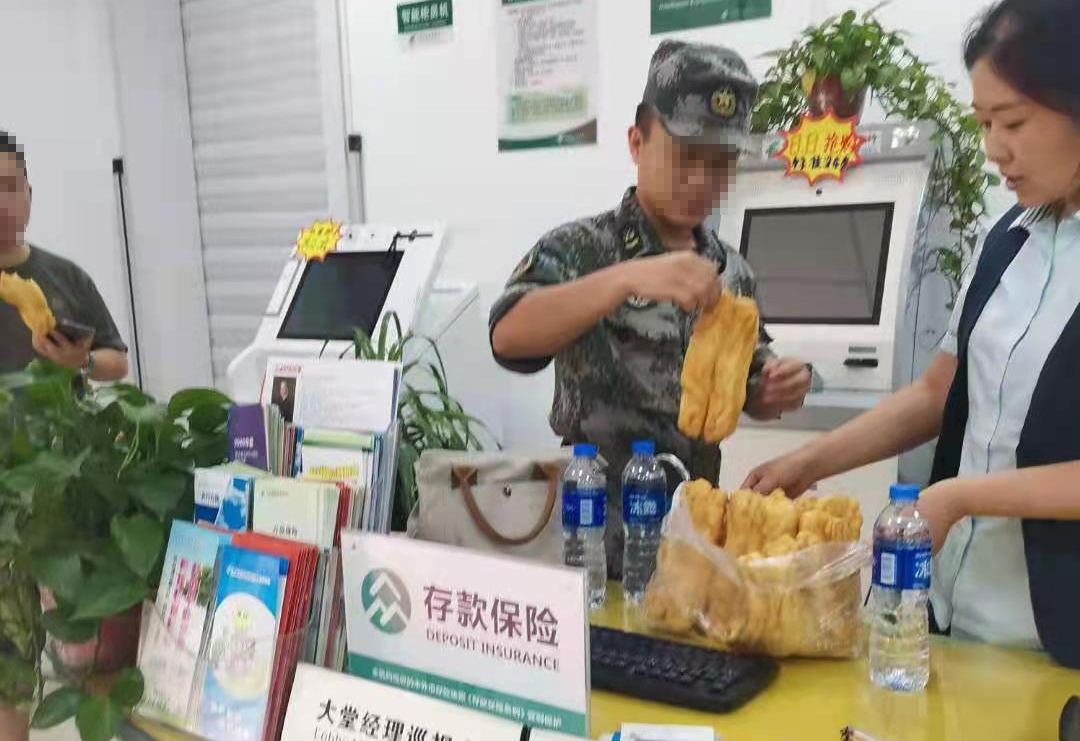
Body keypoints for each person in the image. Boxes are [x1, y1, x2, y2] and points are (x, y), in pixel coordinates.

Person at [743, 0, 1080, 668]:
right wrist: (806, 462)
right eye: (984, 123)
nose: (995, 148)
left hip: (1053, 643)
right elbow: (937, 394)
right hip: (952, 619)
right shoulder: (1007, 242)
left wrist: (960, 496)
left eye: (1014, 121)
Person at [490, 41, 812, 569]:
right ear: (636, 142)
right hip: (594, 541)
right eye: (686, 157)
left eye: (720, 164)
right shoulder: (582, 247)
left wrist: (773, 386)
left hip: (694, 541)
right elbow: (507, 335)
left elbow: (750, 379)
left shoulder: (731, 269)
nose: (700, 181)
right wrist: (627, 278)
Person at [0, 131, 128, 380]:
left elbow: (118, 361)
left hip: (60, 407)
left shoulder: (67, 275)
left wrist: (83, 361)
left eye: (10, 188)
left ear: (29, 195)